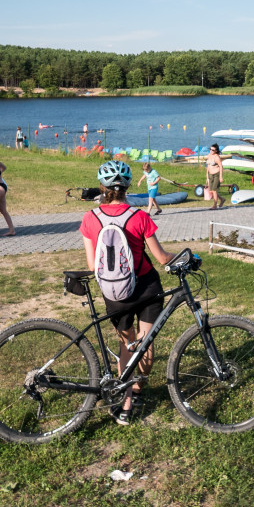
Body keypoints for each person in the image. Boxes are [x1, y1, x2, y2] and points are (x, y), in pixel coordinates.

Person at [79, 160, 175, 425]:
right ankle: (136, 392)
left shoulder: (90, 217)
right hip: (146, 287)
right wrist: (181, 256)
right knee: (145, 344)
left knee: (126, 343)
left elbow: (91, 265)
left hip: (114, 292)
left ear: (102, 187)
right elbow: (162, 258)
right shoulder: (139, 216)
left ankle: (125, 402)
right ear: (128, 187)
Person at [205, 143, 224, 209]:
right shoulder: (209, 155)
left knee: (214, 190)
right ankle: (222, 199)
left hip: (216, 174)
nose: (211, 151)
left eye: (212, 150)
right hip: (211, 175)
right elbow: (208, 166)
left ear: (216, 151)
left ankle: (215, 205)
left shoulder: (217, 157)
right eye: (210, 149)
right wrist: (207, 175)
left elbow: (221, 167)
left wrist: (221, 177)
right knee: (211, 190)